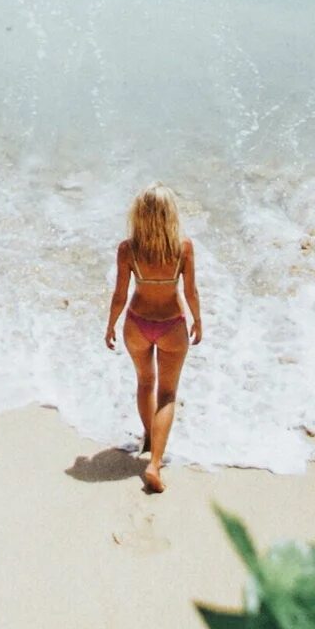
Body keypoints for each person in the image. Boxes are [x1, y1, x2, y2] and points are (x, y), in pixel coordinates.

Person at [106, 185, 202, 493]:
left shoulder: (128, 249)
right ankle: (154, 463)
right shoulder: (183, 248)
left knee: (145, 382)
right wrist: (198, 320)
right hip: (171, 325)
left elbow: (120, 294)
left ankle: (149, 437)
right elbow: (190, 292)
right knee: (168, 394)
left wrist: (110, 325)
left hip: (136, 323)